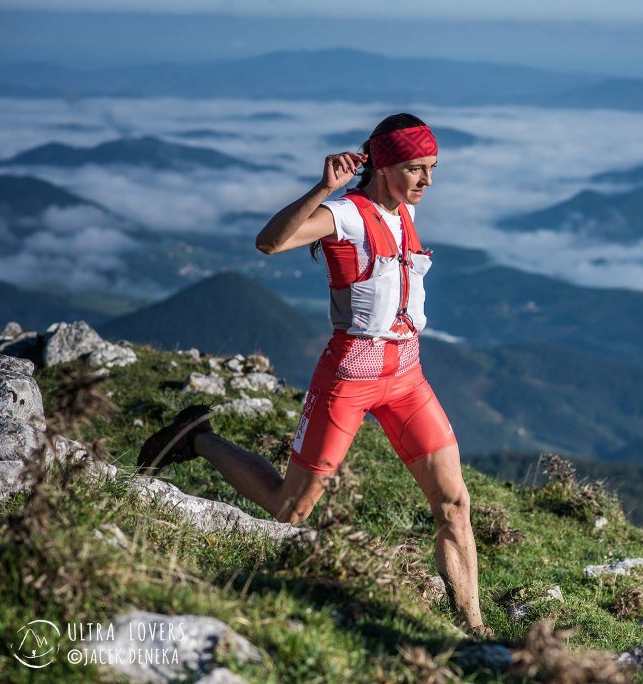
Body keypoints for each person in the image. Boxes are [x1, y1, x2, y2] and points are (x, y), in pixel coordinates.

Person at [137, 113, 491, 638]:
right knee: (290, 508)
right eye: (417, 169)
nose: (428, 181)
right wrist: (323, 188)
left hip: (408, 375)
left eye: (433, 169)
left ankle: (474, 628)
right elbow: (270, 242)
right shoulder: (346, 213)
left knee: (455, 502)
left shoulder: (401, 211)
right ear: (385, 164)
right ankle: (199, 439)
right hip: (350, 374)